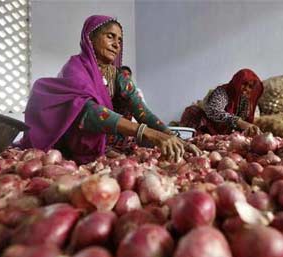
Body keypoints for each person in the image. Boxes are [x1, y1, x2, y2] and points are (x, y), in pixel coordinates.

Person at [17, 15, 200, 164]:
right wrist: (148, 133)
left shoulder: (119, 75)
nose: (116, 44)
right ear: (90, 37)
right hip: (75, 145)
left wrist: (171, 135)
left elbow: (142, 111)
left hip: (110, 145)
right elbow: (88, 112)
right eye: (110, 36)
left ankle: (109, 150)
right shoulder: (75, 68)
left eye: (119, 40)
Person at [180, 69, 263, 136]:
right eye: (244, 84)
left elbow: (252, 120)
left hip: (229, 135)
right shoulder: (223, 92)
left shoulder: (248, 101)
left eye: (250, 87)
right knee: (192, 111)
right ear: (237, 82)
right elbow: (214, 111)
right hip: (210, 128)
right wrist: (239, 122)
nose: (246, 89)